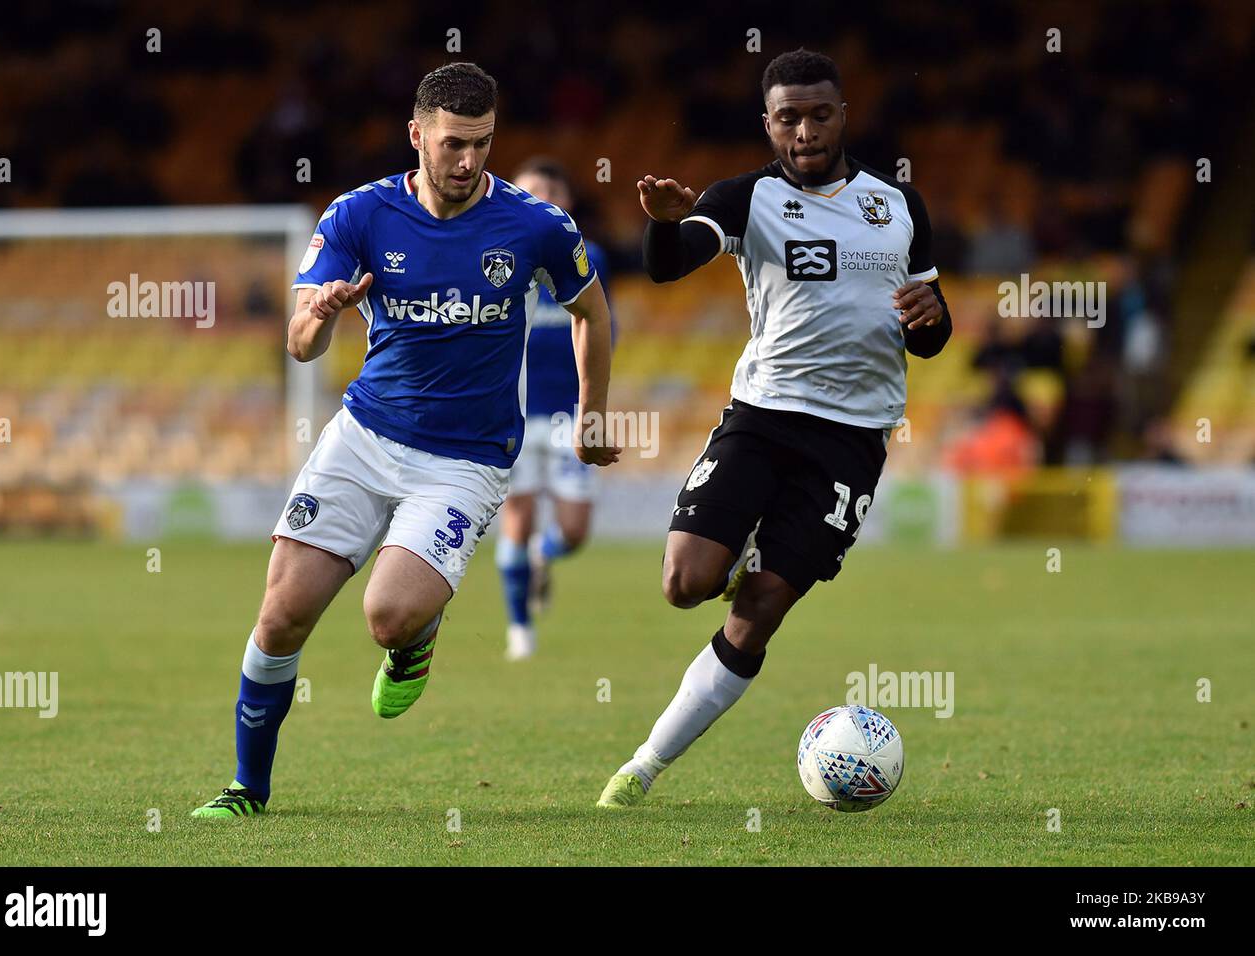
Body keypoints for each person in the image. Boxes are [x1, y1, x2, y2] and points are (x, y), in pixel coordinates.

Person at [191, 62, 618, 819]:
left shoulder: (535, 226)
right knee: (282, 614)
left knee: (387, 615)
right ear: (417, 135)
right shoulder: (359, 216)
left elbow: (593, 312)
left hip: (466, 460)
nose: (468, 161)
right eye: (454, 143)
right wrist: (321, 313)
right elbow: (299, 346)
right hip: (364, 437)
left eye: (483, 144)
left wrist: (592, 414)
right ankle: (246, 788)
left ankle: (415, 637)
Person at [596, 49, 951, 808]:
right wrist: (661, 226)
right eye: (788, 117)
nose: (805, 131)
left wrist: (934, 317)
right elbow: (668, 266)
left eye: (820, 114)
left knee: (757, 614)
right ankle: (738, 550)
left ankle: (642, 768)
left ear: (843, 114)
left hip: (851, 441)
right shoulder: (743, 198)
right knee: (684, 584)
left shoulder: (899, 205)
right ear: (768, 123)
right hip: (761, 419)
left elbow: (927, 327)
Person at [496, 158, 612, 660]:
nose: (541, 199)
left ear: (566, 201)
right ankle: (519, 629)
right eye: (530, 192)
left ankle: (548, 554)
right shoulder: (497, 258)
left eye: (550, 191)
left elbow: (602, 326)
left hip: (569, 412)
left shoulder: (590, 257)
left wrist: (595, 406)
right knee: (516, 521)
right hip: (513, 414)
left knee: (575, 530)